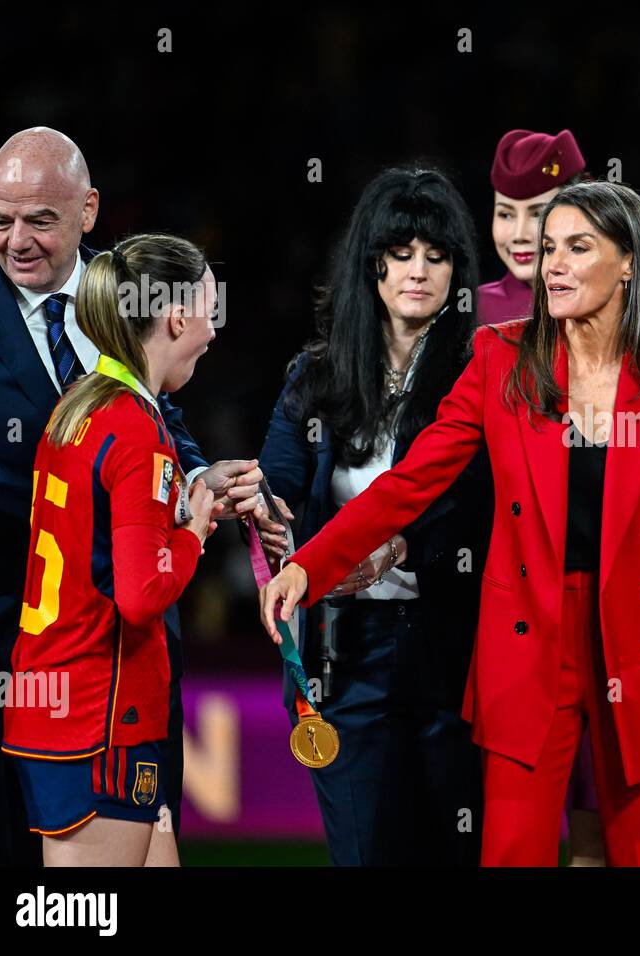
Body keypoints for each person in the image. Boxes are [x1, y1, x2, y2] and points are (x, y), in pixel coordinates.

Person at [261, 180, 640, 866]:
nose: (554, 266)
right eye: (547, 250)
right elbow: (408, 484)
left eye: (578, 247)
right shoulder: (501, 358)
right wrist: (309, 565)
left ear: (629, 261)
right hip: (528, 645)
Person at [0, 128, 263, 866]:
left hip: (113, 654)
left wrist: (196, 479)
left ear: (89, 210)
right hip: (7, 629)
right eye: (1, 220)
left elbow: (167, 428)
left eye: (40, 220)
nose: (17, 241)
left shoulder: (125, 292)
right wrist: (190, 528)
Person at [256, 166, 491, 866]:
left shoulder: (483, 369)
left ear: (457, 269)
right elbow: (279, 488)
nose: (418, 270)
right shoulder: (317, 373)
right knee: (362, 854)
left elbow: (483, 514)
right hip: (344, 651)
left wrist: (398, 550)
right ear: (372, 262)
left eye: (437, 254)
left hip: (455, 649)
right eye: (402, 251)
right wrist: (250, 500)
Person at [1, 233, 224, 866]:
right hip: (99, 716)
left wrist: (185, 501)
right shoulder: (134, 429)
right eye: (209, 306)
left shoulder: (81, 407)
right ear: (177, 315)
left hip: (65, 704)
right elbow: (141, 594)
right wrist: (194, 532)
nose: (212, 330)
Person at [477, 127, 603, 863]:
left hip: (603, 597)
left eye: (542, 212)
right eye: (505, 211)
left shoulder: (630, 309)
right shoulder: (474, 315)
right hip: (507, 603)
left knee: (596, 809)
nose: (522, 233)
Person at [478, 129, 587, 326]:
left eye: (537, 214)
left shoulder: (604, 304)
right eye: (506, 214)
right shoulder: (474, 311)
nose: (519, 235)